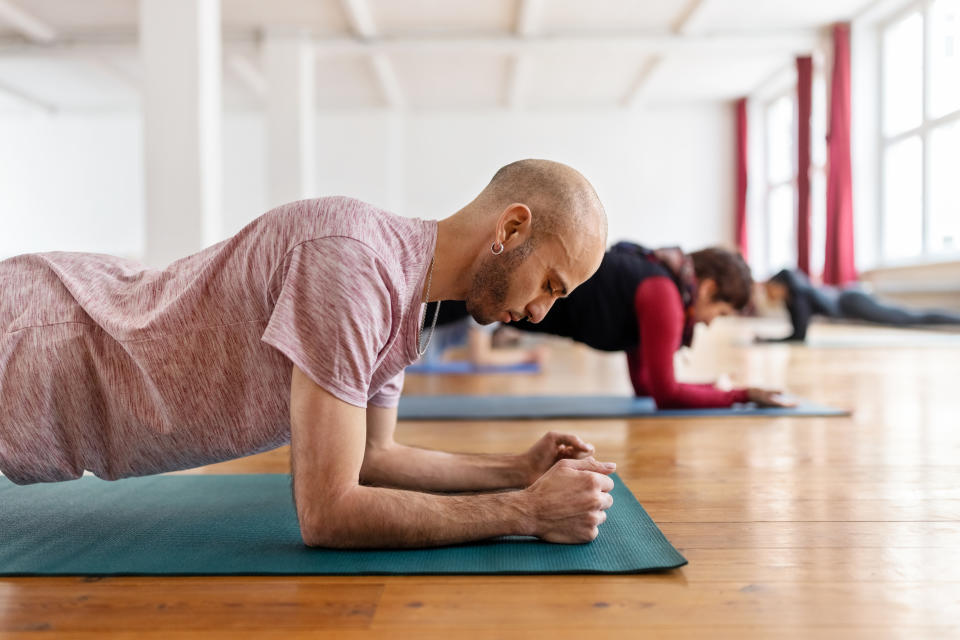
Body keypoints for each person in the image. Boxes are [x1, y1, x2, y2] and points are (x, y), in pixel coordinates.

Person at [0, 159, 614, 548]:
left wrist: (518, 469)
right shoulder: (355, 269)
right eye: (551, 284)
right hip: (41, 340)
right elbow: (331, 513)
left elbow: (375, 458)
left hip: (65, 367)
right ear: (510, 231)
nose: (541, 312)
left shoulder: (404, 298)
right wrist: (526, 512)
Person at [430, 242, 788, 409]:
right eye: (721, 312)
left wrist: (713, 389)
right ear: (708, 288)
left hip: (504, 298)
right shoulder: (664, 296)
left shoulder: (658, 286)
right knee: (423, 305)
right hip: (500, 288)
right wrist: (741, 395)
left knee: (421, 311)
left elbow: (647, 387)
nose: (710, 324)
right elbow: (665, 394)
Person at [761, 269, 960, 342]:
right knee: (909, 317)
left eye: (770, 288)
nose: (768, 294)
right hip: (850, 297)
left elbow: (799, 336)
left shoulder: (799, 296)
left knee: (910, 319)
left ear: (781, 286)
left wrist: (769, 341)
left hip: (852, 301)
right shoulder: (793, 298)